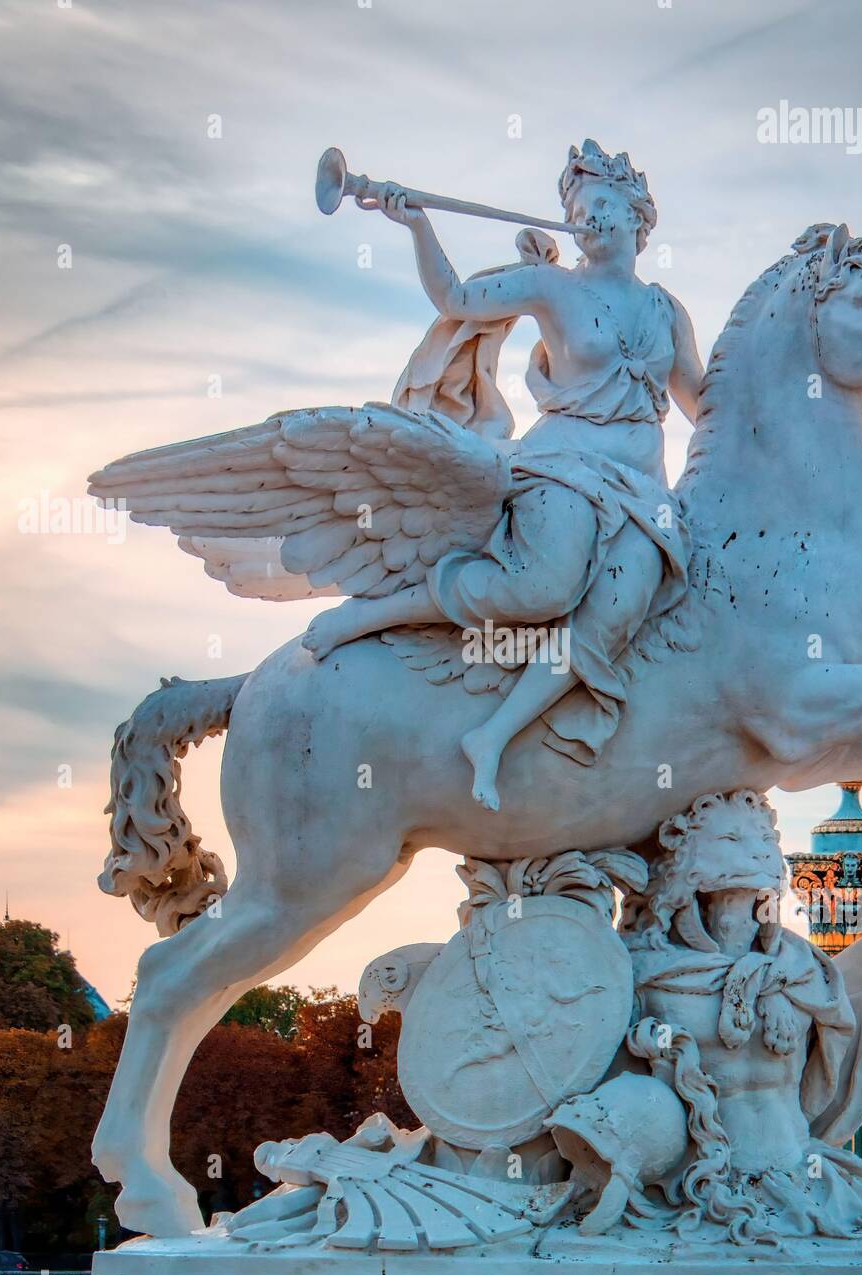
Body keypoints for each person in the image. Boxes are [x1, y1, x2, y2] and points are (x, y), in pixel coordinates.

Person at [300, 141, 705, 810]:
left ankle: (493, 734)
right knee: (542, 586)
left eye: (603, 203)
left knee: (615, 614)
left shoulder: (667, 310)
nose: (590, 217)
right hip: (564, 468)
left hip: (642, 490)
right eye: (578, 208)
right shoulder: (554, 288)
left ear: (639, 216)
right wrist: (417, 224)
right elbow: (455, 296)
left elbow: (703, 403)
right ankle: (377, 613)